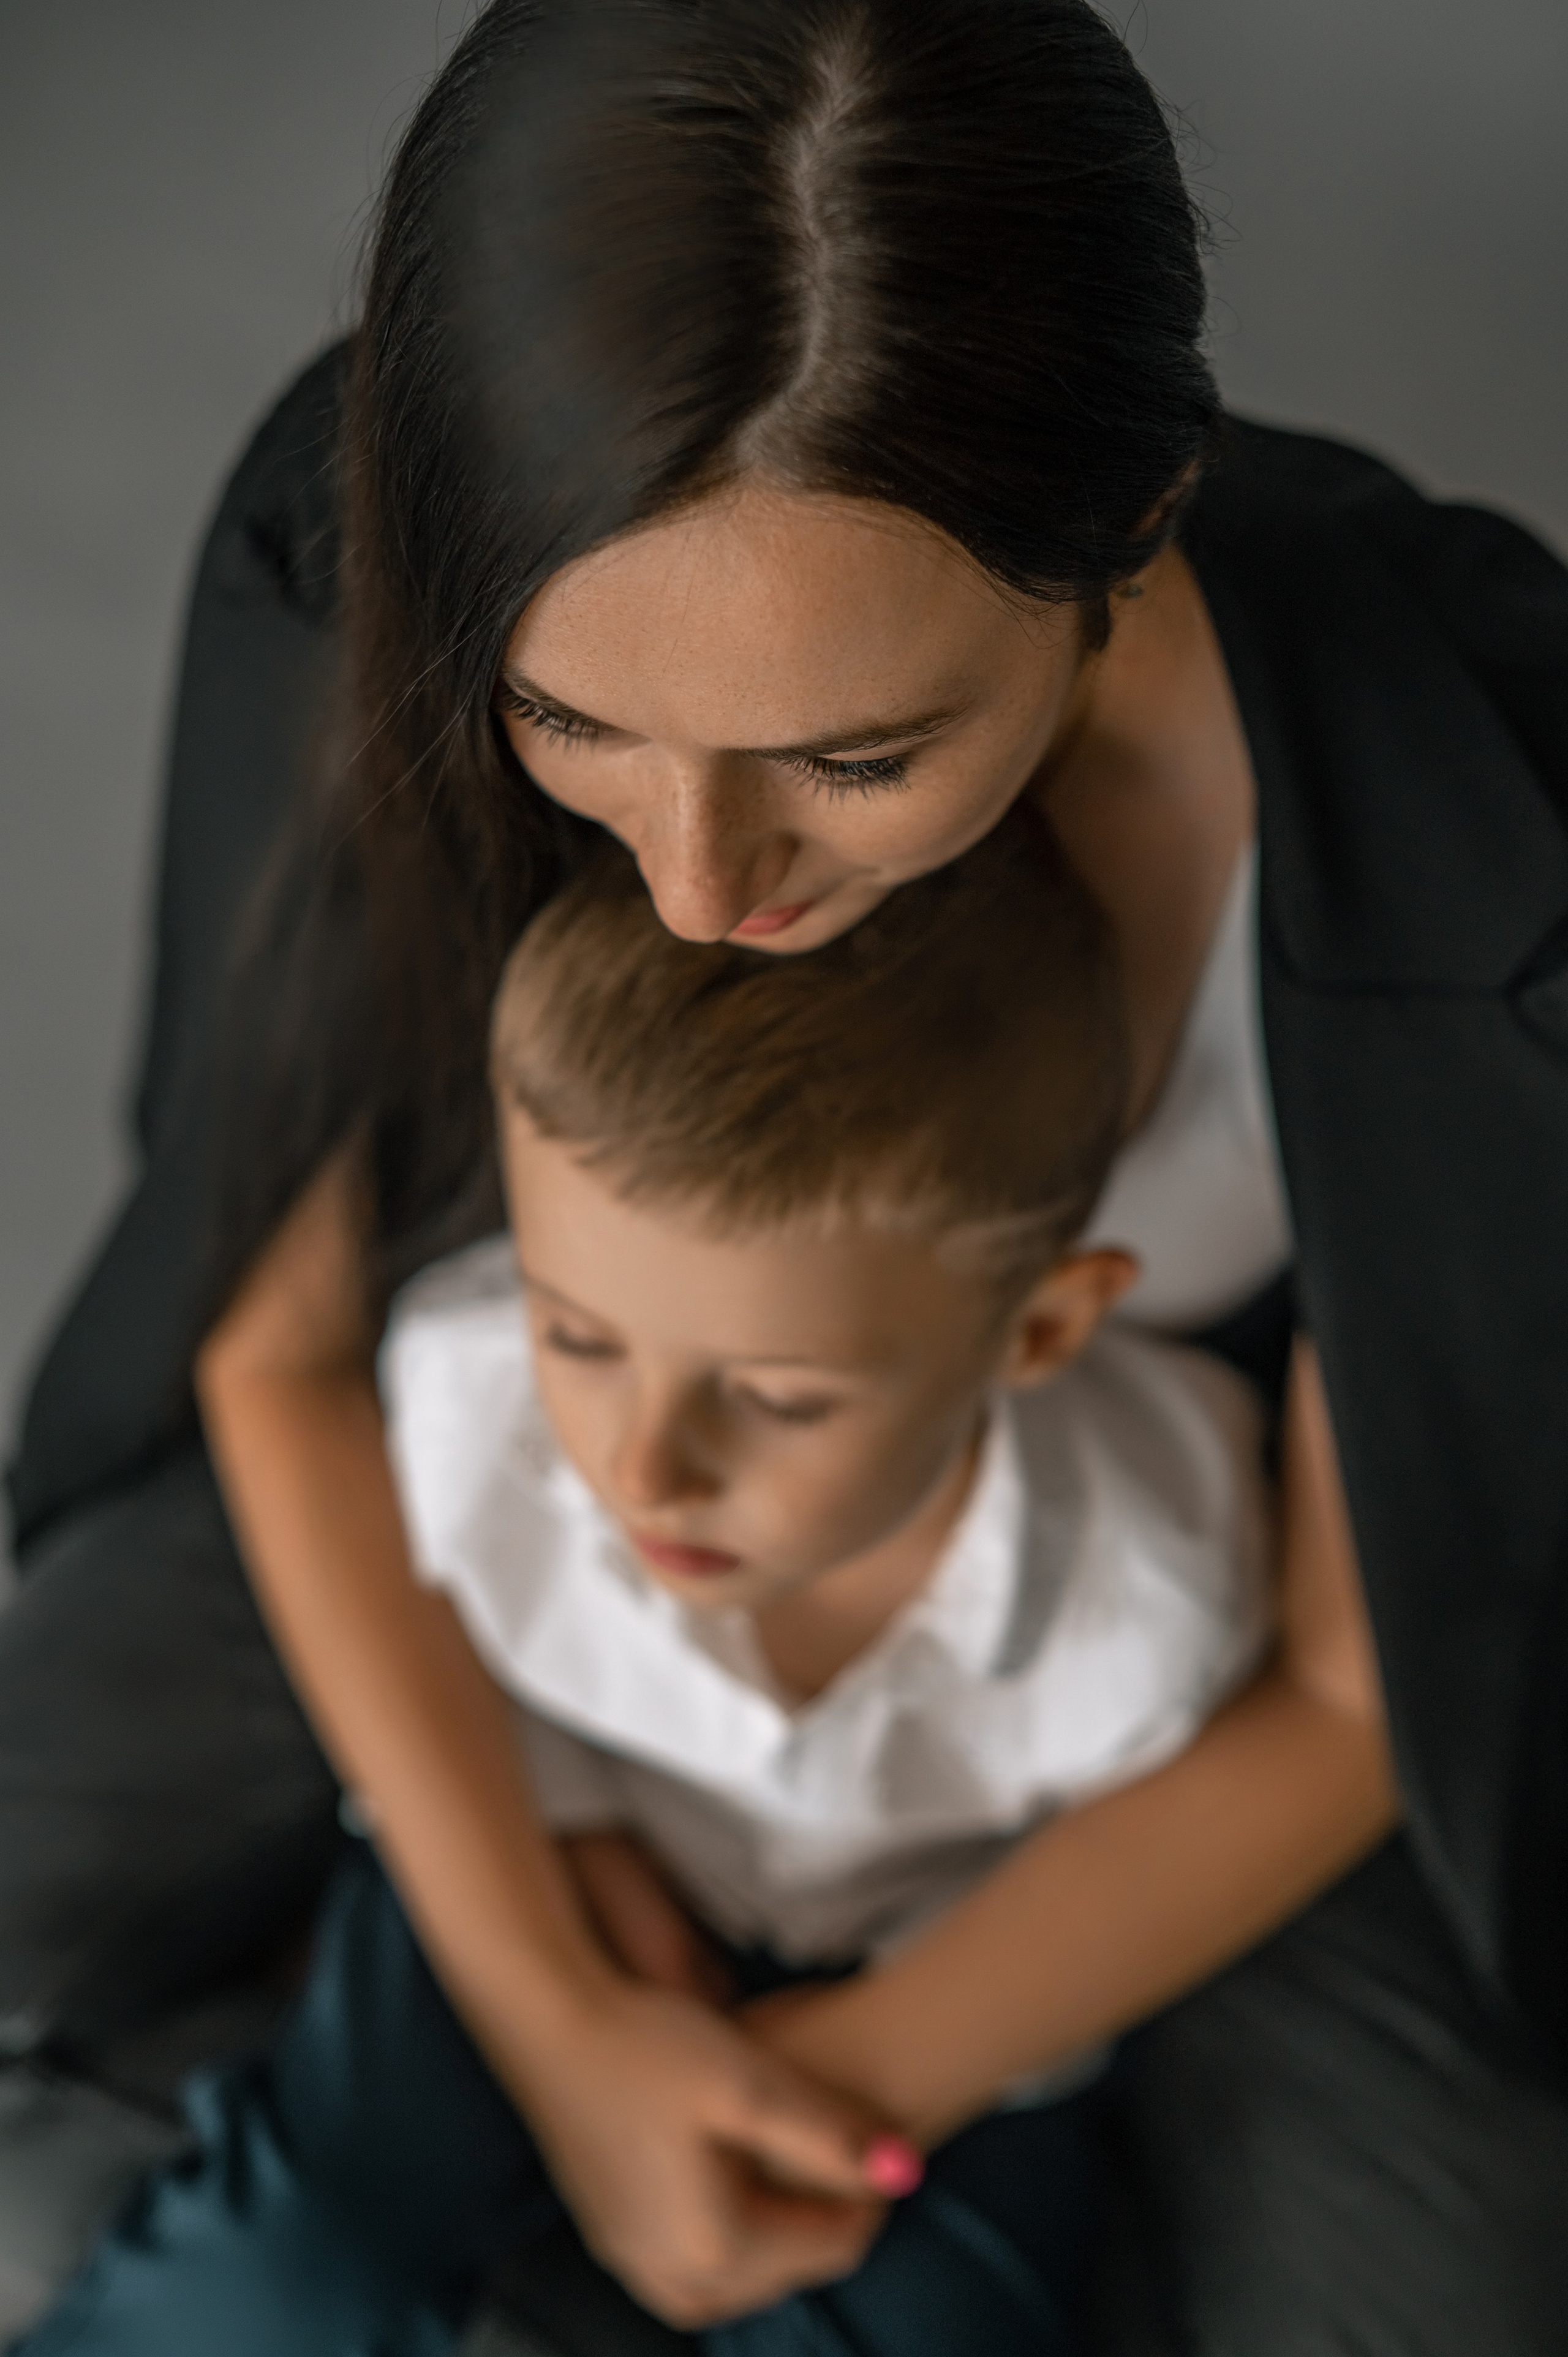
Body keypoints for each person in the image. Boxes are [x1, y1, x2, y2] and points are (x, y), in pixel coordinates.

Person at [3, 0, 1567, 2347]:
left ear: (1131, 523)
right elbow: (285, 1333)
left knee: (1423, 2289)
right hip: (502, 1466)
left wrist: (831, 2077)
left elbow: (1362, 1669)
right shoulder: (360, 560)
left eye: (854, 751)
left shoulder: (1487, 784)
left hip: (1177, 1650)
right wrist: (549, 1997)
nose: (699, 874)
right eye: (570, 721)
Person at [18, 820, 1351, 2354]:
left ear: (1038, 1334)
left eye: (778, 1396)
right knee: (277, 2268)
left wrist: (850, 2071)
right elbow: (474, 1653)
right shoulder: (469, 1405)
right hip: (552, 1868)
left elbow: (1122, 1852)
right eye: (577, 1337)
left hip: (933, 1981)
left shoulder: (1152, 1586)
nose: (640, 1466)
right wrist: (573, 1851)